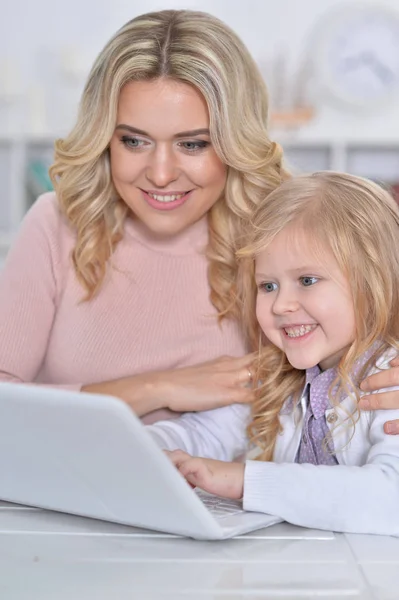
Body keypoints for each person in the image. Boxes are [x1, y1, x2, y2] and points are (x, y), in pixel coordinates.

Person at [0, 10, 398, 429]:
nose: (160, 174)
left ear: (234, 142)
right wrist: (158, 389)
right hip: (51, 492)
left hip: (221, 495)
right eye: (134, 141)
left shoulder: (289, 233)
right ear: (104, 139)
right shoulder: (58, 224)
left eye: (192, 144)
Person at [149, 172, 399, 535]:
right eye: (268, 285)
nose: (281, 304)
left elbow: (390, 498)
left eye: (307, 280)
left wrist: (247, 481)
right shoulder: (278, 378)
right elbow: (202, 434)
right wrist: (152, 453)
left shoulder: (389, 380)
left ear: (373, 280)